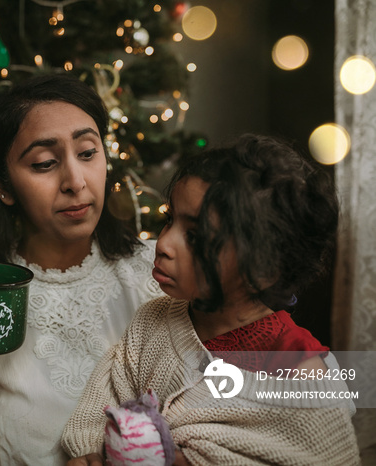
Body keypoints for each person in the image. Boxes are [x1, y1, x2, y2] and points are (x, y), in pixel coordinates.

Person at [0, 74, 164, 465]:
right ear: (1, 185)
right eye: (44, 163)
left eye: (88, 153)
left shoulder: (162, 275)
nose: (75, 181)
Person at [61, 134, 361, 465]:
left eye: (195, 236)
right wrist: (91, 452)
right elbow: (107, 394)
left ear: (262, 268)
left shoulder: (300, 368)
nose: (163, 244)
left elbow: (313, 453)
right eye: (169, 220)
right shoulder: (153, 321)